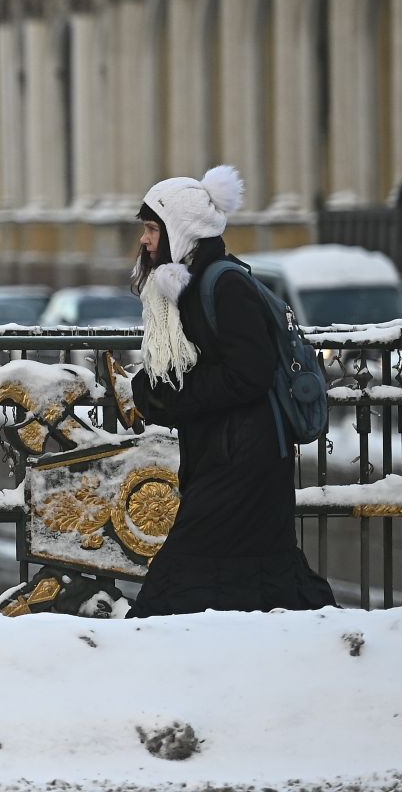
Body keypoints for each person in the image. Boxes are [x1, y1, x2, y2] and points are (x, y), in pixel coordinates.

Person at [127, 164, 334, 617]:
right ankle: (285, 652)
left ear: (179, 230)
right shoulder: (195, 284)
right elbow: (211, 367)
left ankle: (148, 650)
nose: (144, 241)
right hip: (228, 456)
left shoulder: (225, 284)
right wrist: (156, 386)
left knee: (179, 578)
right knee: (256, 580)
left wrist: (166, 396)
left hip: (246, 462)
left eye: (151, 229)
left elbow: (248, 373)